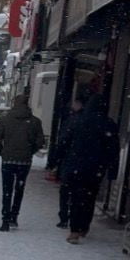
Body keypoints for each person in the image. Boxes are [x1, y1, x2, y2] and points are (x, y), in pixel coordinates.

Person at [54, 95, 120, 243]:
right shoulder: (108, 124)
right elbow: (113, 150)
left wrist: (57, 160)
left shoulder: (77, 121)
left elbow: (64, 141)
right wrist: (112, 171)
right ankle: (84, 226)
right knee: (89, 198)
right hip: (95, 169)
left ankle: (74, 230)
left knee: (76, 198)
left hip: (75, 165)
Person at [0, 94, 45, 232]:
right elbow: (40, 141)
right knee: (19, 189)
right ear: (27, 104)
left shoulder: (6, 119)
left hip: (8, 159)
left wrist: (0, 150)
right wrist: (30, 151)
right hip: (24, 161)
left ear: (15, 103)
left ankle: (5, 220)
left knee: (7, 190)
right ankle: (14, 216)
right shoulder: (35, 121)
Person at [48, 97, 85, 229]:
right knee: (79, 194)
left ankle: (64, 217)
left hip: (70, 162)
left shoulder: (72, 121)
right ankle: (77, 220)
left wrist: (55, 160)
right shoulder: (85, 121)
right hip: (84, 164)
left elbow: (63, 142)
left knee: (66, 191)